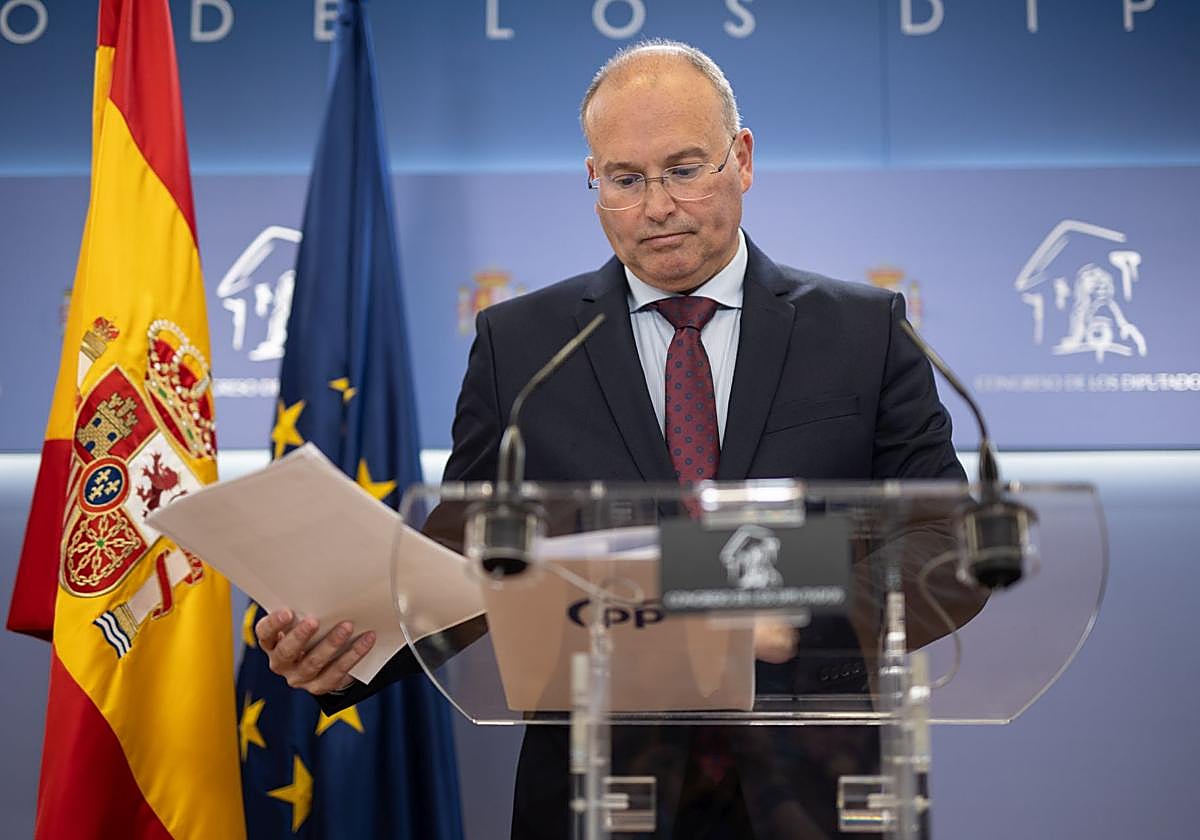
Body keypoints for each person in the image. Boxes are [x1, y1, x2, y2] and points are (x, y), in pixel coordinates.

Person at [256, 40, 966, 838]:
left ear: (743, 159)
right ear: (593, 185)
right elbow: (464, 560)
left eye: (685, 169)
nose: (657, 205)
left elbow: (944, 541)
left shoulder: (862, 332)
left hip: (814, 791)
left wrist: (792, 614)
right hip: (596, 794)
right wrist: (343, 650)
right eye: (627, 180)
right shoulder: (519, 346)